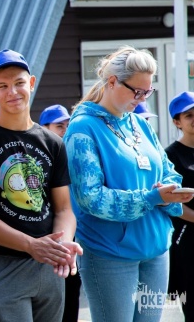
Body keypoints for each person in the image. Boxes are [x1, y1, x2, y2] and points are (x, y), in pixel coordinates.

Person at [63, 46, 193, 322]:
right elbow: (91, 198)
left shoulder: (140, 124)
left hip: (156, 249)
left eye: (148, 92)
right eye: (137, 92)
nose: (142, 99)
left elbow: (167, 169)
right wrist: (152, 198)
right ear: (112, 82)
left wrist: (171, 191)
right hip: (109, 252)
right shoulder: (82, 128)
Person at [0, 49, 80, 322]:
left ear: (32, 83)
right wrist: (30, 244)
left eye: (19, 83)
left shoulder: (53, 143)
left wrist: (62, 245)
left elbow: (64, 209)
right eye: (2, 86)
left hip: (49, 264)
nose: (12, 92)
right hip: (3, 266)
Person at [39, 103, 80, 322]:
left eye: (67, 125)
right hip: (46, 236)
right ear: (44, 128)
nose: (65, 130)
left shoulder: (74, 155)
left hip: (71, 234)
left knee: (72, 289)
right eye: (59, 126)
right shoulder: (38, 159)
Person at [165, 91, 194, 321]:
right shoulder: (170, 156)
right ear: (177, 122)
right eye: (189, 115)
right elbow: (169, 201)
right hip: (187, 241)